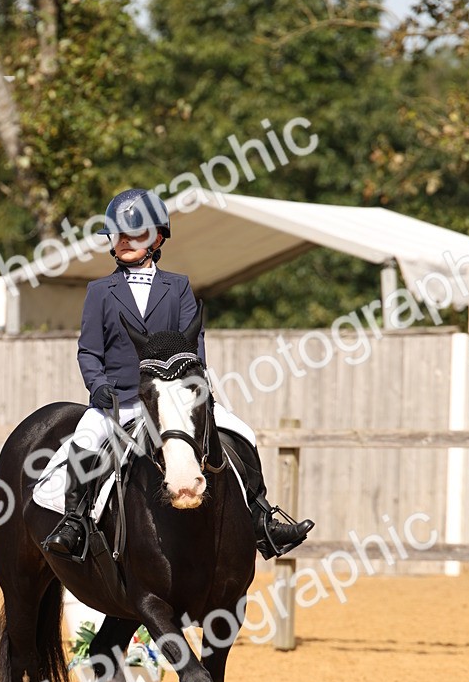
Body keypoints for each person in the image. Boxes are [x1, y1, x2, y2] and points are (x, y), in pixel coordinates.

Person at [42, 188, 314, 560]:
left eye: (134, 234)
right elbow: (89, 350)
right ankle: (74, 522)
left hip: (175, 399)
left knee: (242, 433)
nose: (123, 241)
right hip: (120, 400)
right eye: (118, 234)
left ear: (156, 239)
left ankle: (261, 520)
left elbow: (193, 346)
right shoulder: (100, 291)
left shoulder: (178, 286)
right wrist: (98, 386)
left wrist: (194, 390)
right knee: (85, 440)